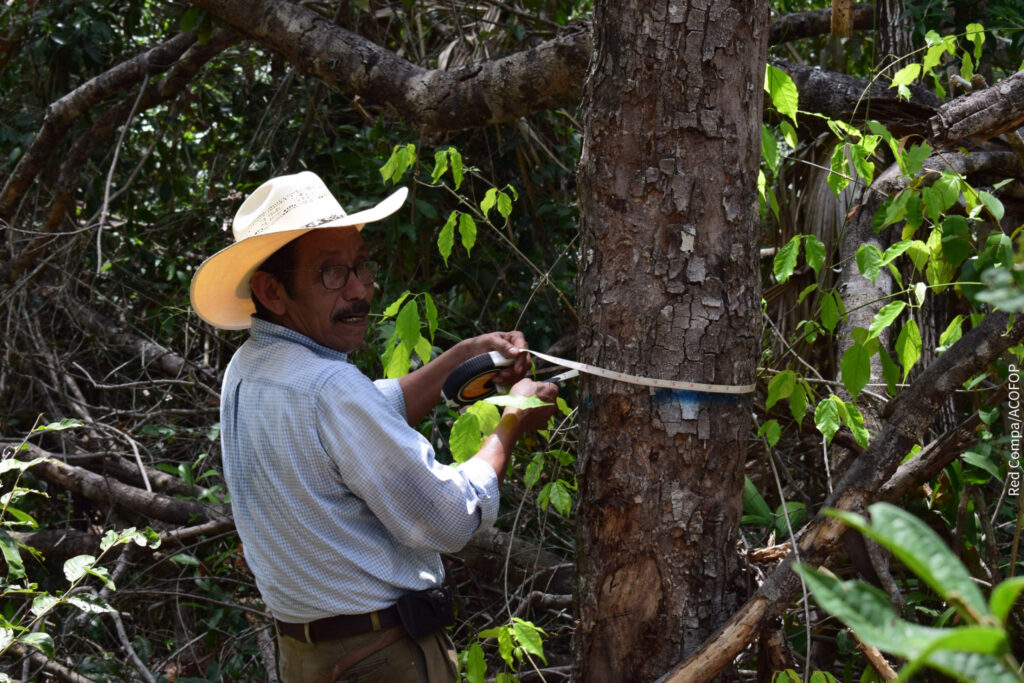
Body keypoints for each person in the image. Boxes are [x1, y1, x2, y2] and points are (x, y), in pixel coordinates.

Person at [189, 171, 558, 683]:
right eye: (331, 274)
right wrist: (513, 418)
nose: (360, 289)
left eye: (361, 265)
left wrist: (462, 357)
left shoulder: (250, 367)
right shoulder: (327, 387)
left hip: (307, 657)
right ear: (272, 290)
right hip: (381, 659)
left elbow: (360, 417)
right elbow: (449, 519)